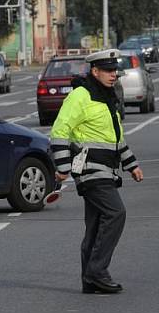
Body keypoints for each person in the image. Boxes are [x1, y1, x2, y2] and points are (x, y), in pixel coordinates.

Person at [50, 49, 144, 294]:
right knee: (116, 214)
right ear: (95, 71)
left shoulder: (105, 96)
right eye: (109, 71)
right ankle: (98, 270)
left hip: (107, 170)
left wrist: (131, 164)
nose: (114, 75)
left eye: (115, 71)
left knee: (95, 225)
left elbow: (115, 138)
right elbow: (59, 131)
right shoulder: (80, 95)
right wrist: (62, 168)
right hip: (90, 170)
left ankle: (89, 279)